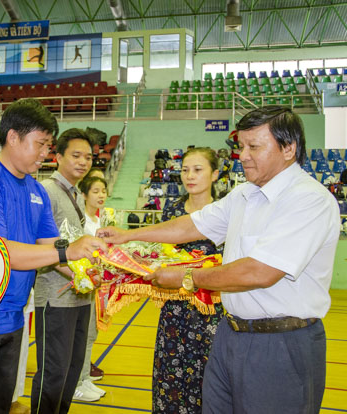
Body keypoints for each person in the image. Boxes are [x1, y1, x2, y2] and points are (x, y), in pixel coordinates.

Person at [98, 106, 341, 414]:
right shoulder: (244, 195)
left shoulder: (309, 200)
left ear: (289, 148)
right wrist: (128, 236)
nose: (244, 155)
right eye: (241, 146)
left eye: (254, 147)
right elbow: (192, 224)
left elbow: (260, 271)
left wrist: (188, 278)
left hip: (280, 343)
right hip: (230, 335)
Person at [0, 98, 106, 414]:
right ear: (13, 137)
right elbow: (1, 251)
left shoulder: (35, 190)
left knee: (0, 402)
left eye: (48, 146)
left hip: (13, 315)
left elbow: (51, 249)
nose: (44, 153)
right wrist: (68, 250)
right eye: (40, 144)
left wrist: (95, 272)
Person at [151, 148, 223, 413]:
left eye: (197, 169)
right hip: (175, 310)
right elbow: (159, 257)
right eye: (184, 170)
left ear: (215, 174)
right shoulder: (172, 212)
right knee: (171, 380)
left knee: (210, 380)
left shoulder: (224, 213)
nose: (189, 176)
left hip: (212, 311)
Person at [31, 128, 96, 413]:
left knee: (72, 369)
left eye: (89, 157)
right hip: (55, 298)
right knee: (53, 373)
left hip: (81, 295)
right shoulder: (46, 191)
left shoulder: (76, 195)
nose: (83, 162)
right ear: (58, 157)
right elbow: (40, 246)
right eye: (76, 155)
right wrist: (78, 276)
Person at [74, 175, 109, 400]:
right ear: (84, 195)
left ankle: (85, 377)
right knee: (82, 334)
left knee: (91, 334)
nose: (101, 195)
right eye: (95, 191)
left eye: (103, 191)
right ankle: (77, 382)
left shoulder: (102, 219)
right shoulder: (81, 221)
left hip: (99, 286)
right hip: (83, 285)